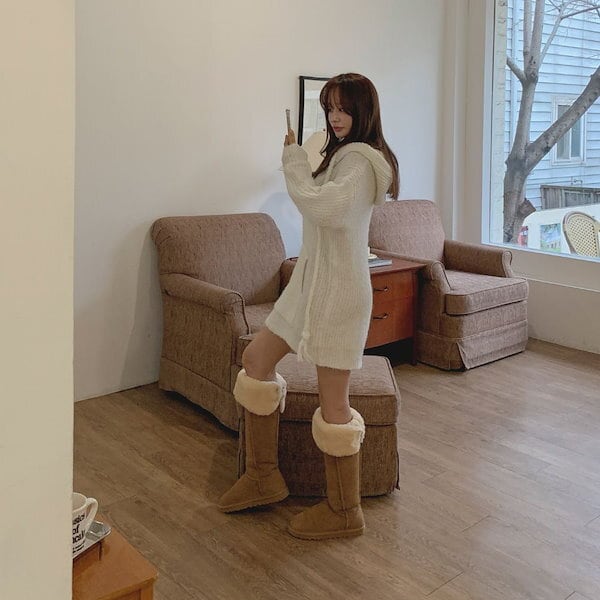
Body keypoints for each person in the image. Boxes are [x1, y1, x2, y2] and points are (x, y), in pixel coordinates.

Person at [218, 73, 399, 540]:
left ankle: (344, 510)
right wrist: (304, 158)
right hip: (308, 288)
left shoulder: (361, 163)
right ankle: (263, 476)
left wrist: (294, 162)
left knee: (334, 404)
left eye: (343, 108)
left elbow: (324, 210)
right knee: (255, 360)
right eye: (329, 108)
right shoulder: (340, 157)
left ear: (363, 111)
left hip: (339, 295)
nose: (335, 117)